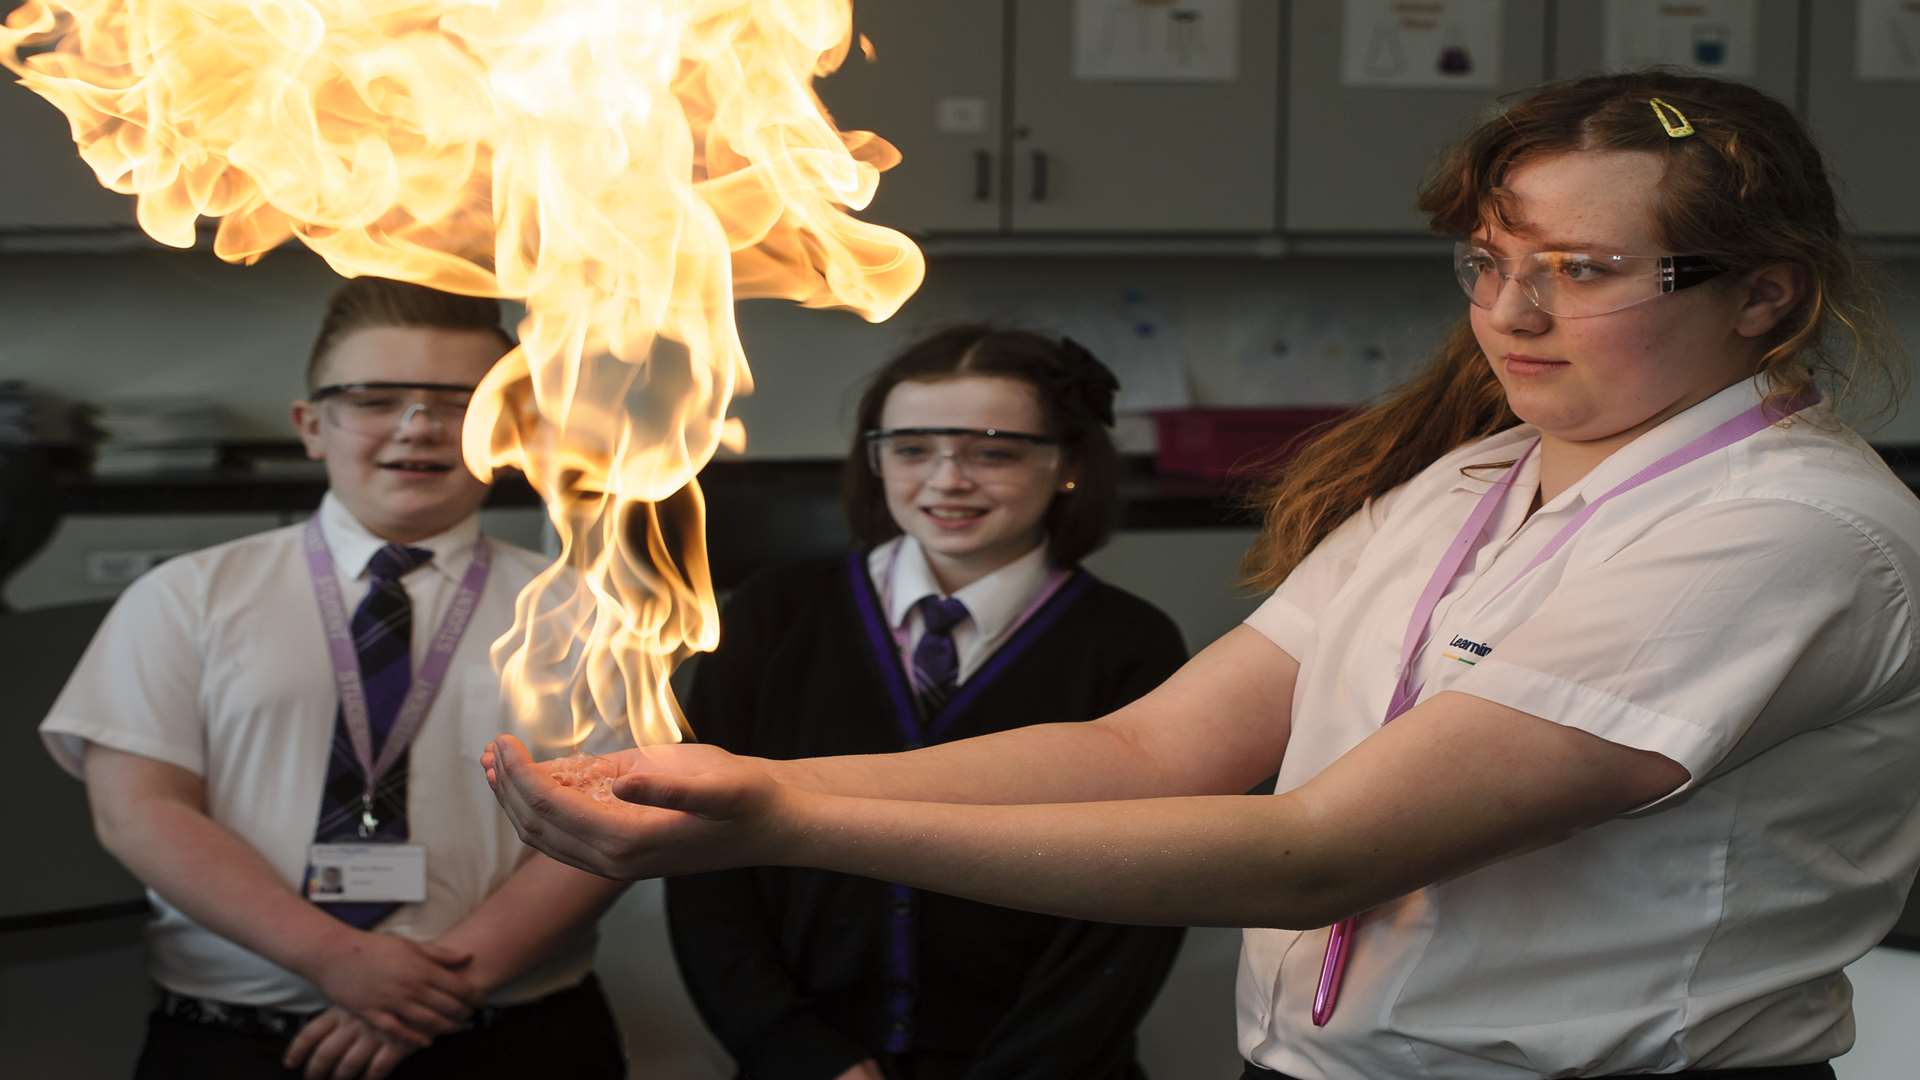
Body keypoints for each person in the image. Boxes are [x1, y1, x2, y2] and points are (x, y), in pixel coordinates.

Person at [485, 71, 1920, 1080]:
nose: (1512, 313)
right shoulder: (1471, 484)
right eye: (1486, 263)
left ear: (1764, 295)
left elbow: (1318, 854)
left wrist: (785, 820)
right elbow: (1150, 749)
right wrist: (741, 774)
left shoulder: (1784, 530)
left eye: (1585, 268)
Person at [43, 277, 630, 1080]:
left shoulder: (580, 611)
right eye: (376, 399)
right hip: (241, 1038)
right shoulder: (186, 597)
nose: (417, 428)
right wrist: (335, 957)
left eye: (460, 403)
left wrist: (440, 984)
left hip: (510, 1037)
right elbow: (138, 809)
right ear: (311, 425)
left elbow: (611, 817)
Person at [664, 327, 1189, 1080]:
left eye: (994, 451)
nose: (947, 480)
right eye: (912, 450)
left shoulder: (1129, 643)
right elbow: (706, 859)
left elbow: (1140, 896)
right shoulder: (775, 614)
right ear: (874, 459)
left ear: (1067, 464)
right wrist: (801, 1055)